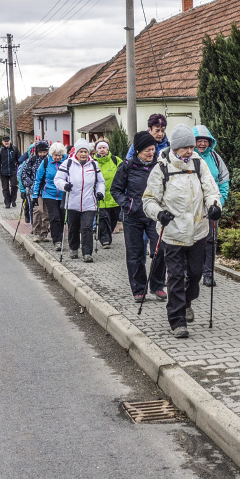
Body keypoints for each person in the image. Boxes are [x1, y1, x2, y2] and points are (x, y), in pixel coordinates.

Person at [143, 125, 222, 339]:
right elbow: (149, 199)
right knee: (176, 276)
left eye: (191, 146)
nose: (190, 150)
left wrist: (214, 205)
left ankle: (187, 301)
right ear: (175, 148)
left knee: (195, 273)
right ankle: (177, 321)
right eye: (185, 147)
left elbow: (211, 189)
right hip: (172, 232)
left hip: (198, 230)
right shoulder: (162, 168)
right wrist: (159, 214)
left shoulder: (199, 163)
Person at [111, 131, 167, 304]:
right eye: (147, 150)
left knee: (161, 249)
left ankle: (157, 285)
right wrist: (127, 204)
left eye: (153, 149)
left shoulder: (161, 165)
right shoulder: (127, 166)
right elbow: (116, 190)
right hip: (132, 216)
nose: (151, 153)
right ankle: (139, 289)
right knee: (135, 254)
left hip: (155, 216)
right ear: (137, 151)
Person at [54, 140, 105, 261]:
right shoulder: (68, 164)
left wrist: (100, 192)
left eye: (85, 151)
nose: (83, 154)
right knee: (73, 227)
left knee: (87, 227)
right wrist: (64, 185)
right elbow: (58, 179)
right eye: (81, 151)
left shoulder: (94, 164)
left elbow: (100, 181)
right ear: (76, 152)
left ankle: (87, 253)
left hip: (89, 202)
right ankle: (74, 248)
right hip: (72, 202)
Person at [192, 125, 230, 287]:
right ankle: (192, 272)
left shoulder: (215, 157)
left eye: (205, 141)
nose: (202, 144)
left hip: (211, 209)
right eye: (198, 140)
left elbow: (224, 180)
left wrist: (219, 203)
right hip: (192, 210)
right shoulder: (188, 157)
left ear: (210, 142)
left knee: (211, 241)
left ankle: (208, 274)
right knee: (192, 241)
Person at [33, 142, 67, 251]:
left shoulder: (67, 163)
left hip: (63, 194)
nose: (57, 157)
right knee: (54, 217)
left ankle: (60, 237)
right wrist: (35, 195)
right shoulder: (46, 162)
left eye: (59, 155)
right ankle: (56, 240)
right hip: (49, 194)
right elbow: (38, 179)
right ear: (51, 154)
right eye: (55, 155)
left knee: (62, 218)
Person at [94, 140, 122, 249]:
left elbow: (124, 171)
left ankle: (106, 234)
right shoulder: (92, 162)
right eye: (99, 148)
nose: (102, 150)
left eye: (104, 148)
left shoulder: (115, 160)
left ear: (107, 149)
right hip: (100, 197)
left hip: (113, 197)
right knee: (103, 219)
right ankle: (105, 239)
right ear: (96, 150)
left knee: (113, 219)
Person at [23, 140, 50, 241]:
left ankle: (44, 232)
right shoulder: (32, 160)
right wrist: (31, 185)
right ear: (37, 151)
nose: (42, 154)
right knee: (38, 210)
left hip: (47, 190)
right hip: (35, 190)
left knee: (46, 212)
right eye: (40, 152)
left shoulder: (49, 160)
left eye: (44, 152)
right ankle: (36, 232)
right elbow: (24, 174)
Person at [0, 135, 20, 208]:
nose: (6, 142)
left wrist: (20, 170)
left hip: (13, 171)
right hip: (3, 172)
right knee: (5, 188)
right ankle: (7, 202)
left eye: (7, 141)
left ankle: (13, 200)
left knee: (14, 186)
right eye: (5, 141)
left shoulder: (14, 149)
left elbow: (19, 160)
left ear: (10, 141)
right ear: (2, 142)